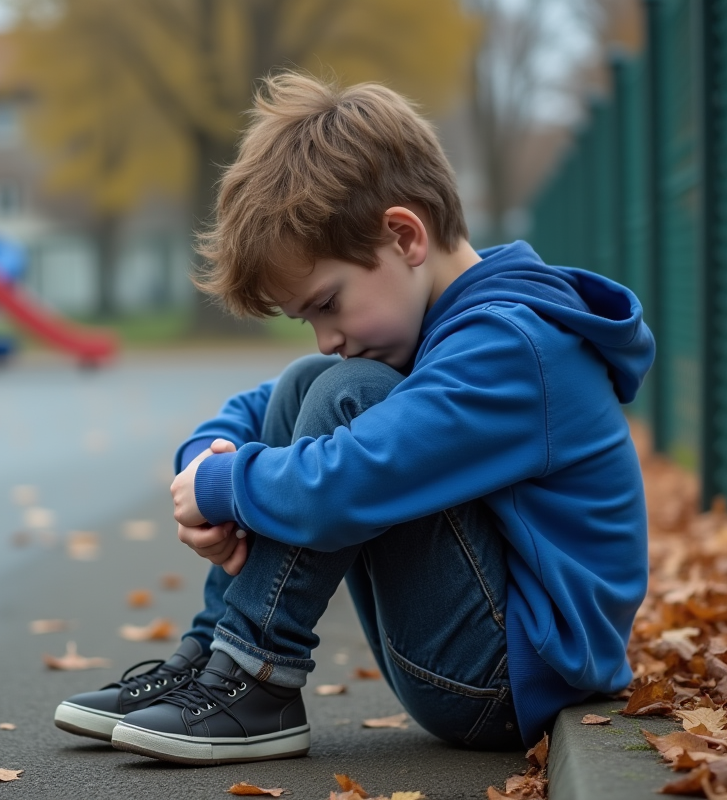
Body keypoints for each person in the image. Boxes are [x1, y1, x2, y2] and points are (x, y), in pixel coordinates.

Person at [53, 71, 654, 766]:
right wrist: (208, 452)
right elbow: (261, 406)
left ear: (404, 236)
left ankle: (255, 678)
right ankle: (218, 655)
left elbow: (357, 475)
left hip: (514, 678)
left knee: (353, 392)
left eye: (326, 304)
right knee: (317, 382)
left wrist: (227, 487)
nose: (326, 335)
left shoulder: (513, 347)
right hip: (478, 658)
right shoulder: (443, 318)